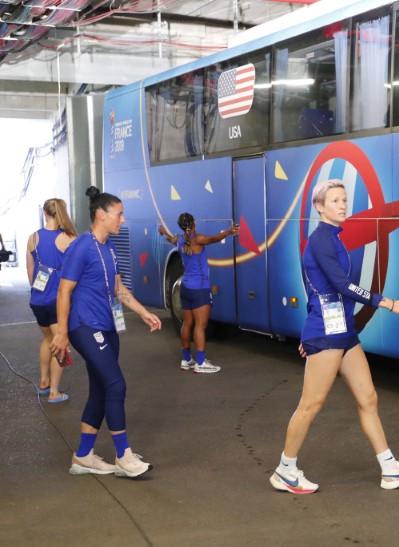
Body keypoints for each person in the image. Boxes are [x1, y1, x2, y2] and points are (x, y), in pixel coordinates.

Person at [270, 179, 399, 494]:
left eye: (344, 199)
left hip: (344, 333)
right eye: (335, 201)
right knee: (311, 405)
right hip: (327, 334)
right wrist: (388, 303)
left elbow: (315, 288)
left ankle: (389, 468)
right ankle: (285, 470)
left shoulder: (333, 238)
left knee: (368, 398)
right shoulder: (320, 241)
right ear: (319, 206)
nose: (342, 205)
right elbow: (342, 286)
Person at [50, 187, 162, 478]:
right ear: (101, 215)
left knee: (101, 389)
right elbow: (64, 290)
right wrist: (61, 332)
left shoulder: (109, 249)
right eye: (119, 214)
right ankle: (124, 456)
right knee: (116, 385)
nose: (122, 220)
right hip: (84, 326)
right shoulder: (81, 246)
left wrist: (143, 311)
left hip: (107, 327)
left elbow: (117, 289)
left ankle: (84, 455)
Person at [158, 213, 239, 374]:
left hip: (185, 288)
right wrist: (229, 231)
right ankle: (200, 362)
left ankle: (186, 359)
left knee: (187, 324)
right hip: (199, 289)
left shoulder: (181, 240)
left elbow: (171, 239)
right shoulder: (198, 239)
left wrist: (163, 232)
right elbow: (214, 239)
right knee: (200, 326)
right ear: (193, 223)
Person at [26, 198, 77, 403]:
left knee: (48, 339)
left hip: (37, 301)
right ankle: (54, 392)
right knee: (60, 345)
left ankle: (44, 382)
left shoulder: (33, 238)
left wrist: (37, 287)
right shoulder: (70, 238)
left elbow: (30, 269)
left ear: (44, 214)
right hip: (58, 302)